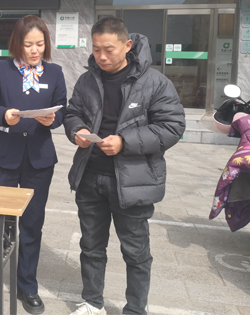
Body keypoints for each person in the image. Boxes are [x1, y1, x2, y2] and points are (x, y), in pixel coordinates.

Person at [63, 17, 185, 315]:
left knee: (136, 251)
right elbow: (72, 112)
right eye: (96, 49)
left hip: (132, 182)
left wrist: (125, 142)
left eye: (109, 49)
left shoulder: (154, 82)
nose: (102, 56)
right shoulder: (87, 80)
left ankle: (135, 309)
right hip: (90, 176)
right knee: (91, 247)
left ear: (127, 45)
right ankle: (92, 303)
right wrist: (76, 130)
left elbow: (172, 127)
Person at [0, 15, 67, 315]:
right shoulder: (1, 69)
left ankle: (27, 287)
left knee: (32, 226)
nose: (35, 50)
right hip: (3, 158)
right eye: (28, 44)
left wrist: (53, 119)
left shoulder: (55, 72)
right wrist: (3, 115)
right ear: (17, 44)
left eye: (40, 44)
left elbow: (63, 108)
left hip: (39, 160)